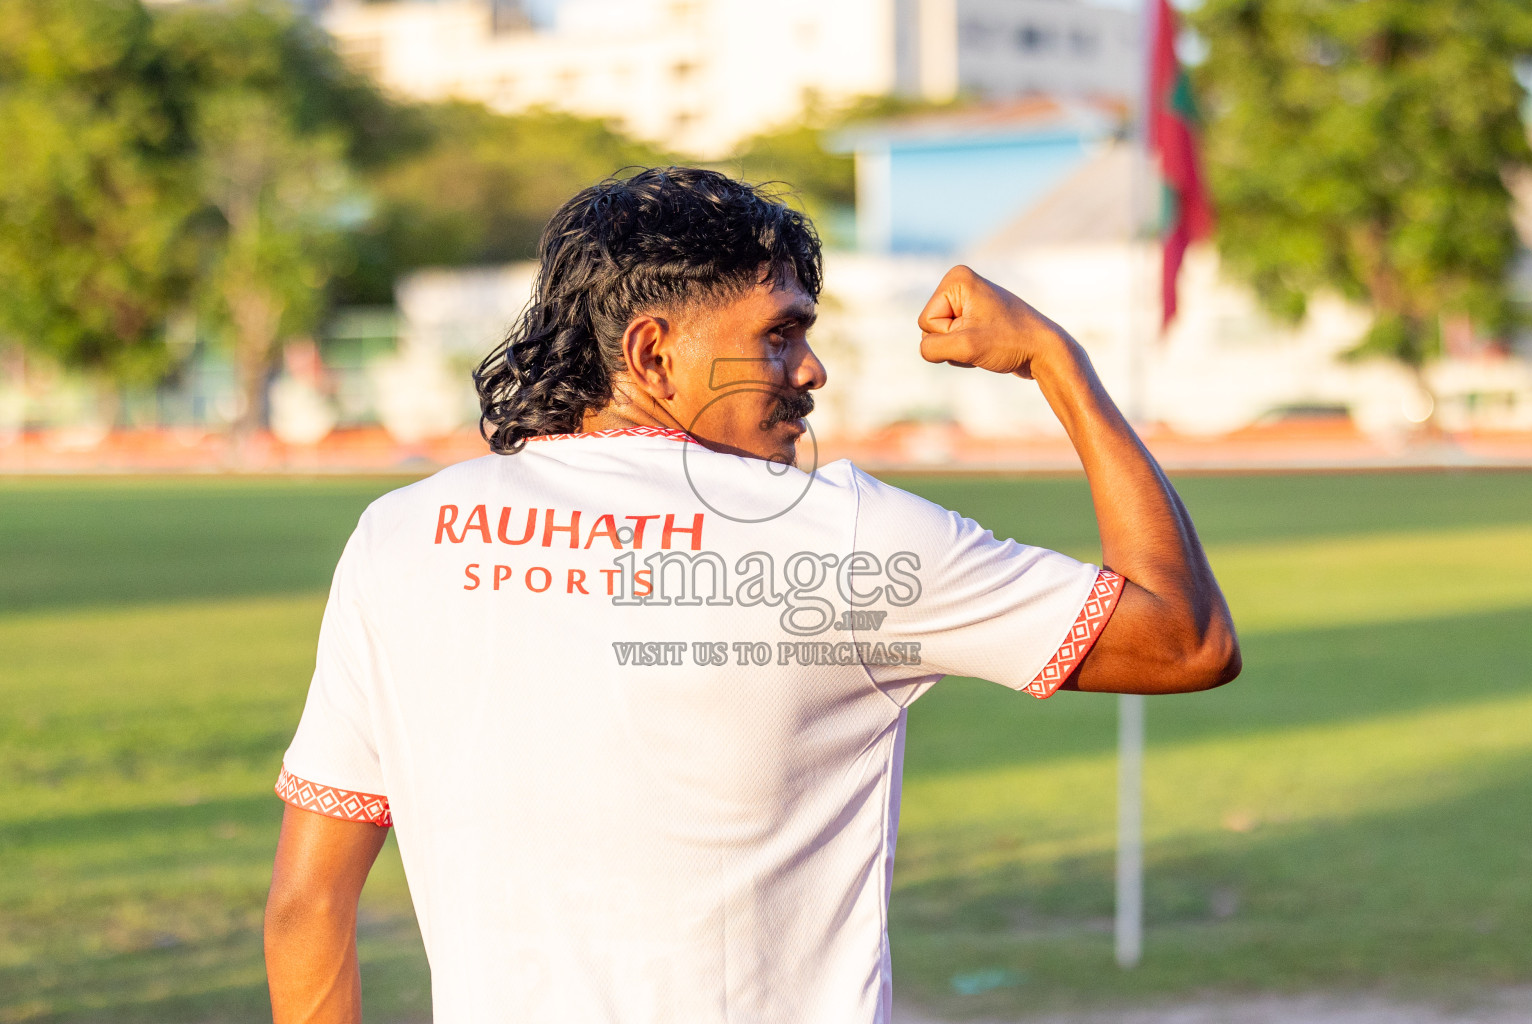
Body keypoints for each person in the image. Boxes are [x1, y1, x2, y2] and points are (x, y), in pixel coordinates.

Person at [264, 167, 1240, 1024]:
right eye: (778, 335)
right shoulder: (840, 535)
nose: (808, 369)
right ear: (651, 354)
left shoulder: (401, 534)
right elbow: (1185, 641)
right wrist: (1053, 362)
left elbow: (308, 902)